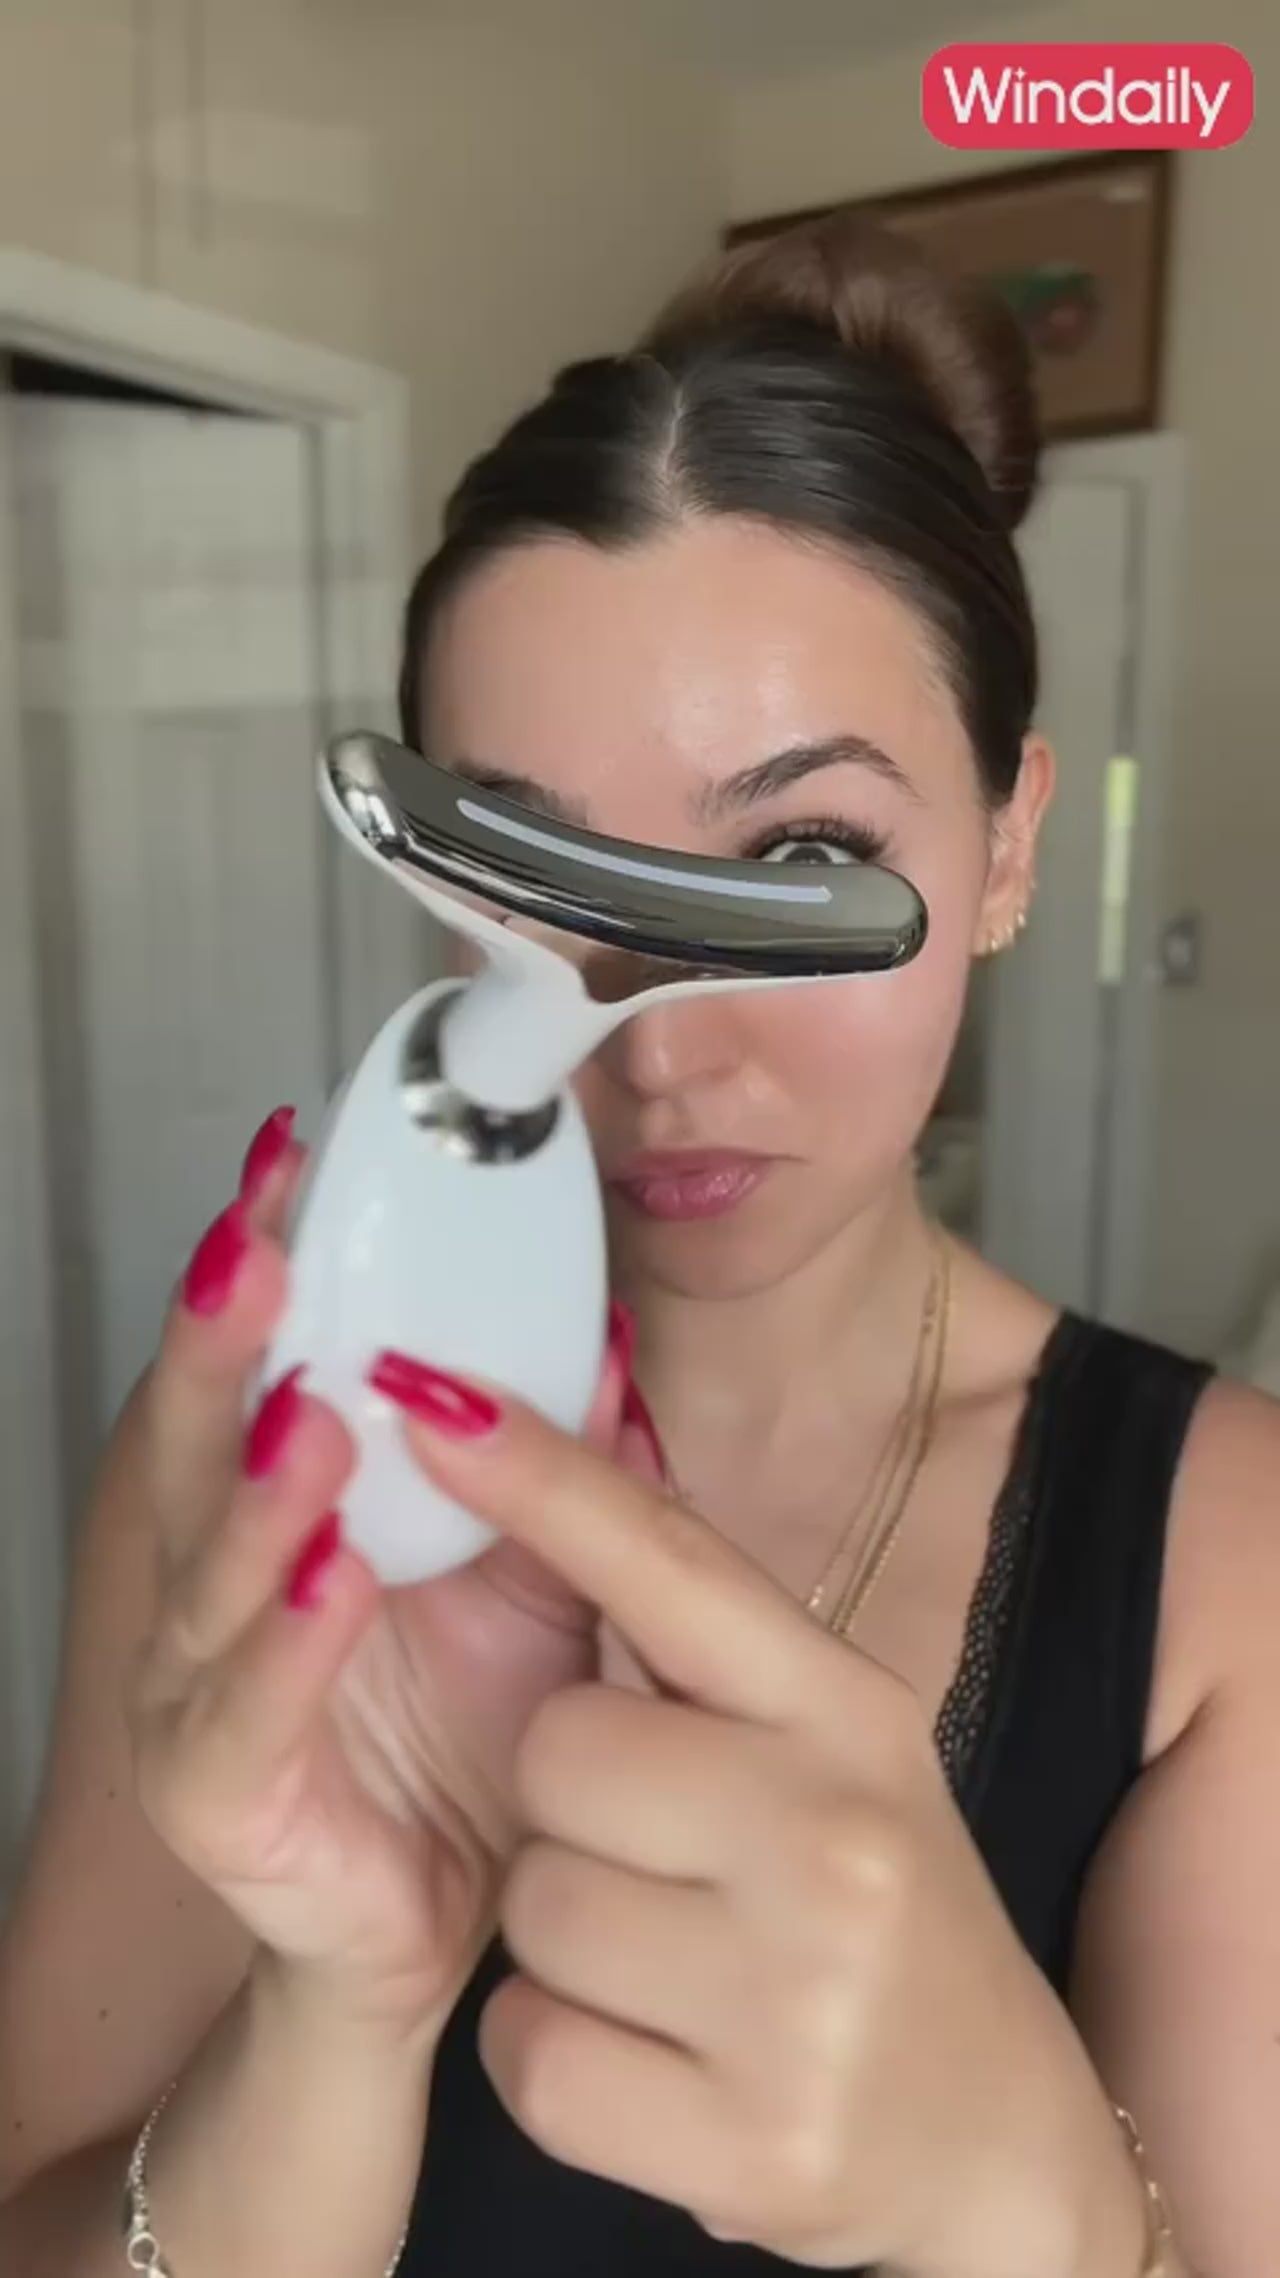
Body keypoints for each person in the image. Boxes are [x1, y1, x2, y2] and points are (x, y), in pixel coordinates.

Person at [1, 210, 1277, 2278]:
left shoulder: (1231, 1557)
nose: (658, 1048)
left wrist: (1040, 2203)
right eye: (531, 869)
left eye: (800, 856)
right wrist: (336, 2012)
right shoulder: (257, 1458)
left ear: (1010, 841)